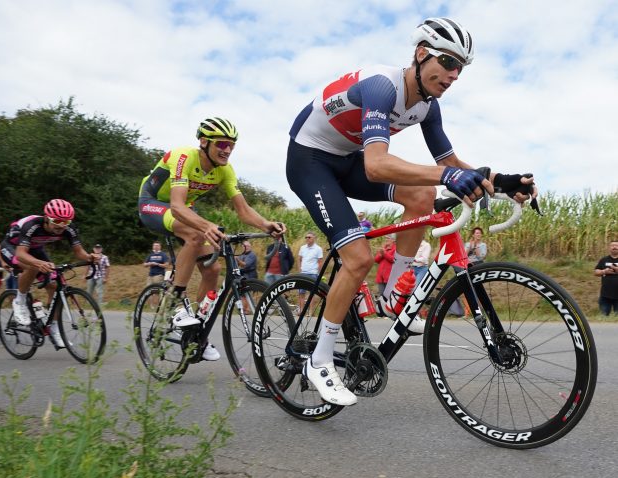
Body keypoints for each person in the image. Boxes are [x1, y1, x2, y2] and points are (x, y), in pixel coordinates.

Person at [284, 17, 536, 405]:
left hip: (346, 159)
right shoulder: (382, 87)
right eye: (448, 63)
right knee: (357, 258)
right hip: (310, 160)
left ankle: (392, 294)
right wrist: (447, 175)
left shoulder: (428, 107)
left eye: (460, 69)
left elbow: (450, 161)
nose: (454, 76)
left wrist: (502, 180)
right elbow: (376, 166)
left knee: (421, 196)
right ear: (422, 54)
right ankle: (318, 361)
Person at [138, 117, 285, 361]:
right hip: (154, 204)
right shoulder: (184, 157)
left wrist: (266, 224)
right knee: (196, 235)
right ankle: (175, 301)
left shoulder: (225, 170)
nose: (227, 150)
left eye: (231, 145)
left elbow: (243, 210)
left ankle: (197, 333)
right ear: (204, 142)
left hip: (184, 209)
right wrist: (207, 226)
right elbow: (176, 206)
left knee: (213, 268)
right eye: (221, 144)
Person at [0, 199, 99, 349]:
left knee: (55, 284)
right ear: (46, 218)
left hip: (35, 249)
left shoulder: (68, 228)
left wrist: (90, 258)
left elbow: (79, 252)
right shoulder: (32, 225)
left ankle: (53, 327)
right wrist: (39, 263)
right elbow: (21, 254)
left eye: (66, 222)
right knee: (32, 267)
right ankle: (20, 301)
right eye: (57, 221)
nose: (61, 225)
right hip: (13, 248)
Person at [298, 232, 323, 311]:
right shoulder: (302, 248)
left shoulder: (318, 249)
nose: (307, 239)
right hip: (303, 273)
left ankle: (311, 311)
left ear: (314, 238)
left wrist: (318, 273)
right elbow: (299, 259)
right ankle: (301, 310)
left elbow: (320, 262)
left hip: (313, 273)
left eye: (309, 237)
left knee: (311, 293)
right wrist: (300, 270)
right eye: (306, 237)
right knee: (301, 293)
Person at [594, 240, 618, 316]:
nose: (614, 247)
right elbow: (596, 272)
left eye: (616, 245)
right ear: (609, 248)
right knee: (604, 317)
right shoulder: (603, 260)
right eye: (612, 245)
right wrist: (604, 271)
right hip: (605, 295)